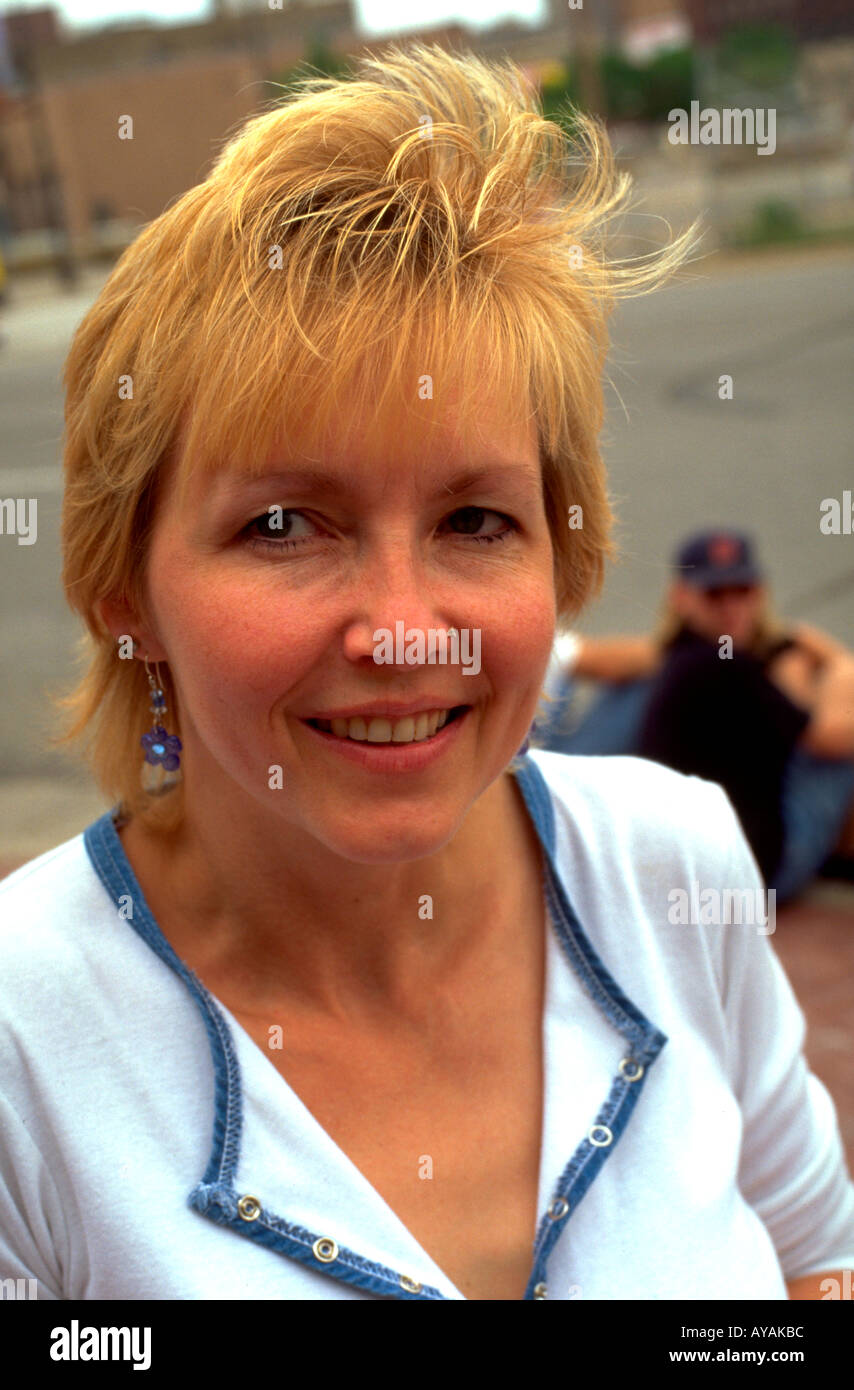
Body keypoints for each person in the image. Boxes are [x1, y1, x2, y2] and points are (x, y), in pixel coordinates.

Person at [1, 44, 852, 1303]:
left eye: (474, 521)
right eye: (284, 525)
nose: (405, 633)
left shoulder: (674, 859)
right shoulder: (26, 1046)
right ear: (126, 596)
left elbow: (811, 1251)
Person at [540, 530, 854, 902]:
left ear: (759, 592)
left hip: (686, 868)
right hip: (757, 878)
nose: (731, 607)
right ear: (683, 598)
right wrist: (839, 663)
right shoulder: (731, 668)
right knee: (839, 736)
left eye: (742, 591)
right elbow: (832, 739)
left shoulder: (683, 659)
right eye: (715, 594)